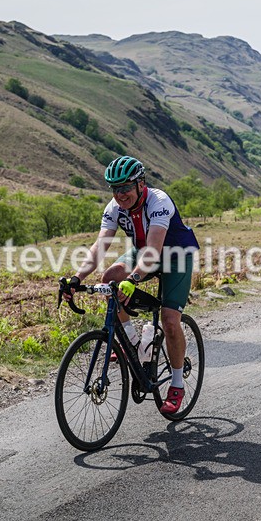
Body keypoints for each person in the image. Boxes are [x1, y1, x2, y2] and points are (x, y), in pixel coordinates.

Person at [64, 155, 199, 414]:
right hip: (144, 252)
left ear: (140, 184)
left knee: (170, 320)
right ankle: (133, 343)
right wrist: (76, 279)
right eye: (115, 188)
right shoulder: (114, 208)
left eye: (125, 187)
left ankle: (177, 384)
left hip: (175, 257)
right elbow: (99, 246)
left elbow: (154, 250)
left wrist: (133, 279)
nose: (120, 194)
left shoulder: (158, 201)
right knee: (109, 277)